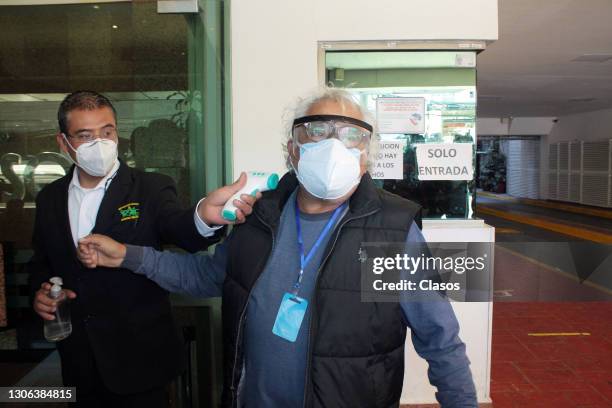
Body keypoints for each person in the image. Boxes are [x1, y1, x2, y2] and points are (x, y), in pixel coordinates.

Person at [78, 88, 477, 407]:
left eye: (351, 135)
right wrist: (129, 255)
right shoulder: (258, 219)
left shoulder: (390, 231)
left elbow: (439, 339)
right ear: (292, 149)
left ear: (365, 158)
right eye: (317, 132)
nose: (333, 146)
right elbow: (205, 277)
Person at [28, 90, 258, 407]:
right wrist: (39, 295)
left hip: (139, 358)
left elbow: (180, 229)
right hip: (78, 359)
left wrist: (204, 216)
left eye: (107, 132)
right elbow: (42, 263)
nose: (100, 143)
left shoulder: (149, 188)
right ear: (63, 143)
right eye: (85, 135)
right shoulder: (49, 198)